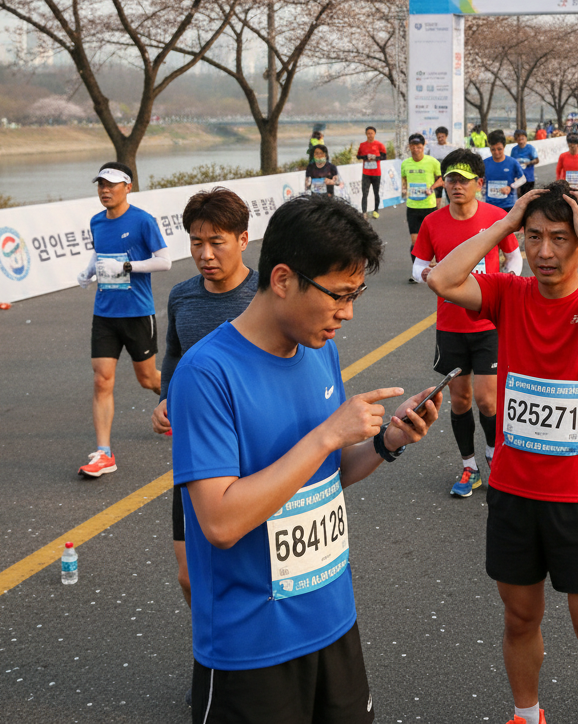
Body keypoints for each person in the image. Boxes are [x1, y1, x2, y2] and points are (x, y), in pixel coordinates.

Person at [170, 195, 443, 724]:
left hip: (333, 620)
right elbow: (221, 522)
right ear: (282, 280)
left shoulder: (321, 350)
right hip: (251, 646)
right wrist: (324, 436)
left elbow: (327, 475)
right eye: (338, 295)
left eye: (355, 293)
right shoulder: (207, 374)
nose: (348, 312)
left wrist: (387, 442)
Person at [427, 182, 578, 724]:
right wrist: (504, 223)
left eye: (560, 239)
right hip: (514, 492)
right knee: (519, 618)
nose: (545, 252)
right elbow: (441, 278)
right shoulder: (508, 293)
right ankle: (527, 714)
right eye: (535, 238)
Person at [150, 188, 257, 705]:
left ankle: (253, 662)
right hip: (198, 458)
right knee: (191, 576)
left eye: (216, 242)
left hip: (258, 456)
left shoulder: (268, 296)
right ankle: (216, 653)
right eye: (196, 243)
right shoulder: (183, 297)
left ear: (243, 239)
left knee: (256, 570)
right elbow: (174, 358)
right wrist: (167, 400)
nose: (205, 254)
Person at [413, 149, 522, 498]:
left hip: (487, 325)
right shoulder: (432, 222)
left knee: (487, 401)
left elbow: (514, 256)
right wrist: (426, 274)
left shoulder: (496, 217)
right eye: (450, 180)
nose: (456, 186)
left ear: (479, 182)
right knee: (460, 401)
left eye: (463, 180)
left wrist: (504, 286)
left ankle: (495, 457)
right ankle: (469, 466)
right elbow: (417, 266)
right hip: (450, 326)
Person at [76, 162, 171, 478]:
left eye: (111, 185)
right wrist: (89, 270)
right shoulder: (96, 222)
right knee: (102, 379)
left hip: (137, 313)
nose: (105, 190)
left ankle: (184, 407)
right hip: (104, 312)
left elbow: (164, 261)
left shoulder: (142, 221)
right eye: (100, 184)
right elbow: (100, 252)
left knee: (148, 379)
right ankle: (104, 453)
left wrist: (129, 268)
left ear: (128, 187)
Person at [402, 133, 443, 283]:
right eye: (413, 146)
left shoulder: (432, 162)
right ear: (409, 147)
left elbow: (441, 179)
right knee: (415, 241)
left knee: (432, 241)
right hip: (412, 206)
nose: (416, 149)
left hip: (429, 206)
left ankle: (435, 269)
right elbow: (404, 178)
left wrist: (432, 187)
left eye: (419, 146)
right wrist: (404, 187)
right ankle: (416, 272)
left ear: (423, 146)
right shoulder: (405, 163)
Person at [485, 129, 527, 210]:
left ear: (504, 147)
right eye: (493, 149)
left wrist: (511, 187)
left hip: (508, 205)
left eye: (499, 149)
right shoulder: (485, 163)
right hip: (490, 205)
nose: (496, 152)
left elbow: (523, 179)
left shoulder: (512, 162)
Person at [356, 126, 386, 218]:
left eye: (371, 133)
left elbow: (384, 157)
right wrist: (365, 157)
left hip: (376, 173)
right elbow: (358, 156)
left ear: (374, 134)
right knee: (365, 193)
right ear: (366, 134)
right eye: (368, 133)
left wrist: (375, 158)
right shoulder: (362, 145)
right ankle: (364, 212)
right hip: (366, 173)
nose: (370, 135)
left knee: (376, 193)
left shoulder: (379, 145)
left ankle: (376, 211)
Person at [428, 126, 456, 207]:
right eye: (438, 137)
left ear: (446, 136)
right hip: (436, 175)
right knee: (437, 195)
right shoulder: (432, 147)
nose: (440, 139)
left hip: (448, 175)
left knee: (450, 195)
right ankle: (437, 213)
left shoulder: (452, 148)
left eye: (442, 137)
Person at [511, 129, 541, 197]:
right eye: (518, 139)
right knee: (519, 197)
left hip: (529, 178)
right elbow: (512, 163)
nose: (521, 141)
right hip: (518, 179)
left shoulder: (530, 149)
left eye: (522, 138)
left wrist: (528, 163)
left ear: (526, 138)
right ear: (516, 140)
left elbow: (537, 160)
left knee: (528, 198)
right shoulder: (514, 150)